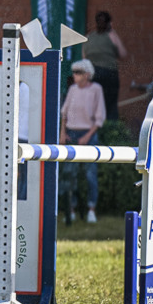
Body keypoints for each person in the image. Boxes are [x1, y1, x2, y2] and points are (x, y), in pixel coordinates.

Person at [60, 59, 106, 224]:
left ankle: (91, 209)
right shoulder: (72, 89)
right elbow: (64, 113)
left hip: (89, 134)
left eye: (78, 72)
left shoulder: (96, 90)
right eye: (74, 72)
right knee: (69, 173)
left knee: (90, 174)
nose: (75, 75)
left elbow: (99, 118)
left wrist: (87, 137)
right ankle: (70, 210)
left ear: (87, 74)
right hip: (72, 135)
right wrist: (63, 133)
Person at [83, 10, 127, 122]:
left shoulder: (89, 37)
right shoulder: (112, 36)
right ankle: (111, 131)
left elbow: (84, 59)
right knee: (110, 105)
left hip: (94, 74)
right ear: (109, 23)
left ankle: (95, 132)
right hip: (110, 74)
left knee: (94, 104)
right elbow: (123, 54)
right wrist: (113, 32)